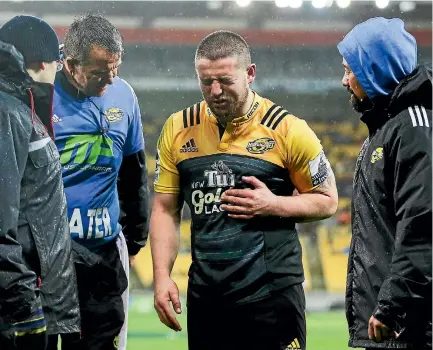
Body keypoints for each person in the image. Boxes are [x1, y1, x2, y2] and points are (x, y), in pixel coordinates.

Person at [150, 30, 338, 350]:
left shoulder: (289, 129)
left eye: (225, 79)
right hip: (207, 298)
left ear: (250, 74)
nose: (215, 90)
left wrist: (273, 204)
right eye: (206, 81)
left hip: (271, 295)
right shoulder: (178, 128)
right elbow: (165, 209)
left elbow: (328, 200)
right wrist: (161, 276)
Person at [47, 14, 149, 350]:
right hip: (48, 259)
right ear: (71, 63)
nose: (109, 80)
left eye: (115, 69)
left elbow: (134, 172)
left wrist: (135, 238)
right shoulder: (39, 96)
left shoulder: (124, 95)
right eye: (99, 73)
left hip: (104, 256)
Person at [338, 17, 432, 350]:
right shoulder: (386, 130)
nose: (344, 80)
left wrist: (393, 305)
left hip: (409, 328)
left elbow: (423, 225)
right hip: (390, 326)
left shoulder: (414, 128)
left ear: (373, 71)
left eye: (351, 70)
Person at [0, 15, 80, 350]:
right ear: (40, 61)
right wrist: (24, 305)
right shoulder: (8, 113)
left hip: (34, 299)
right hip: (19, 312)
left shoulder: (20, 107)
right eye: (57, 59)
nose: (60, 67)